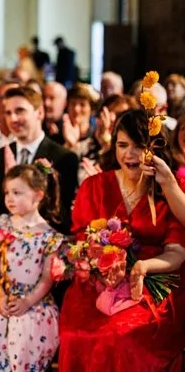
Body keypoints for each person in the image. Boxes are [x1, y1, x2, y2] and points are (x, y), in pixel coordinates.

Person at [58, 109, 185, 369]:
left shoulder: (169, 190)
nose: (129, 154)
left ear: (155, 150)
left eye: (139, 146)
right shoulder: (94, 186)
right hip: (98, 282)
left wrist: (143, 267)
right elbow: (80, 242)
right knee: (76, 335)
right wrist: (96, 263)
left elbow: (177, 253)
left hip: (152, 283)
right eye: (122, 145)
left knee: (121, 338)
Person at [0, 162, 61, 372]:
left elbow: (46, 279)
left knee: (23, 335)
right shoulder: (2, 225)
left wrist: (27, 302)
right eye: (7, 193)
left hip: (32, 301)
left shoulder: (50, 236)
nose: (10, 198)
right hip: (1, 294)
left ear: (38, 195)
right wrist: (0, 296)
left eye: (17, 192)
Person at [0, 83, 81, 229]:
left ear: (40, 113)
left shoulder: (64, 158)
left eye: (20, 111)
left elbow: (62, 216)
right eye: (8, 113)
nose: (13, 119)